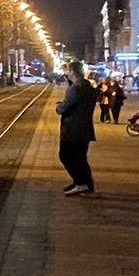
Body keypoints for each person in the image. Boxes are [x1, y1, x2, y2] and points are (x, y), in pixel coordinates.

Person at [55, 59, 97, 195]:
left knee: (66, 156)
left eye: (68, 71)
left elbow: (63, 108)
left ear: (72, 72)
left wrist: (59, 106)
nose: (66, 73)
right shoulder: (88, 87)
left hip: (73, 129)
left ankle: (80, 183)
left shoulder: (75, 88)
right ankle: (86, 184)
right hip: (85, 128)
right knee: (80, 158)